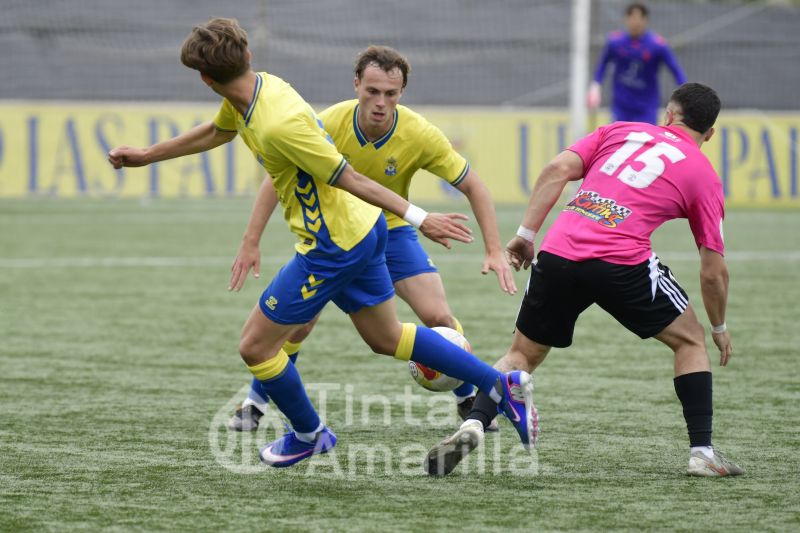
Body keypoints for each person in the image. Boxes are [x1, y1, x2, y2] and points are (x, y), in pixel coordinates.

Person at [107, 18, 537, 468]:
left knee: (255, 346)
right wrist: (148, 155)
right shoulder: (262, 88)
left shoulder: (278, 126)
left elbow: (351, 178)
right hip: (362, 230)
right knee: (387, 337)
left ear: (204, 79)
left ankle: (308, 433)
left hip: (334, 245)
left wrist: (419, 217)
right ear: (247, 57)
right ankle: (500, 385)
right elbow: (219, 130)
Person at [425, 82, 744, 477]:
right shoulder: (704, 175)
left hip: (559, 252)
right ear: (710, 134)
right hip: (621, 263)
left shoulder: (620, 130)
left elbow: (557, 170)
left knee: (521, 355)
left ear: (669, 115)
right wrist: (719, 327)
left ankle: (474, 423)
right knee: (691, 341)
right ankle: (702, 453)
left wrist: (526, 235)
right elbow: (713, 271)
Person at [227, 45, 515, 433]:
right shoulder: (330, 122)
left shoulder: (419, 134)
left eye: (391, 94)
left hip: (392, 231)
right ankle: (255, 403)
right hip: (336, 236)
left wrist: (494, 249)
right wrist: (251, 239)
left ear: (402, 93)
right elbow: (277, 176)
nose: (381, 103)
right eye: (372, 91)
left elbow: (474, 185)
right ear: (356, 85)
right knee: (299, 324)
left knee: (438, 317)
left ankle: (467, 398)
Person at [587, 2, 686, 125]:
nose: (635, 23)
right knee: (619, 134)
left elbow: (675, 69)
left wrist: (685, 93)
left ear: (645, 20)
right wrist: (596, 85)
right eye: (632, 18)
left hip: (646, 105)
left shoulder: (657, 45)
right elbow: (603, 63)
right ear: (626, 19)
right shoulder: (615, 42)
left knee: (646, 135)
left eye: (639, 19)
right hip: (621, 104)